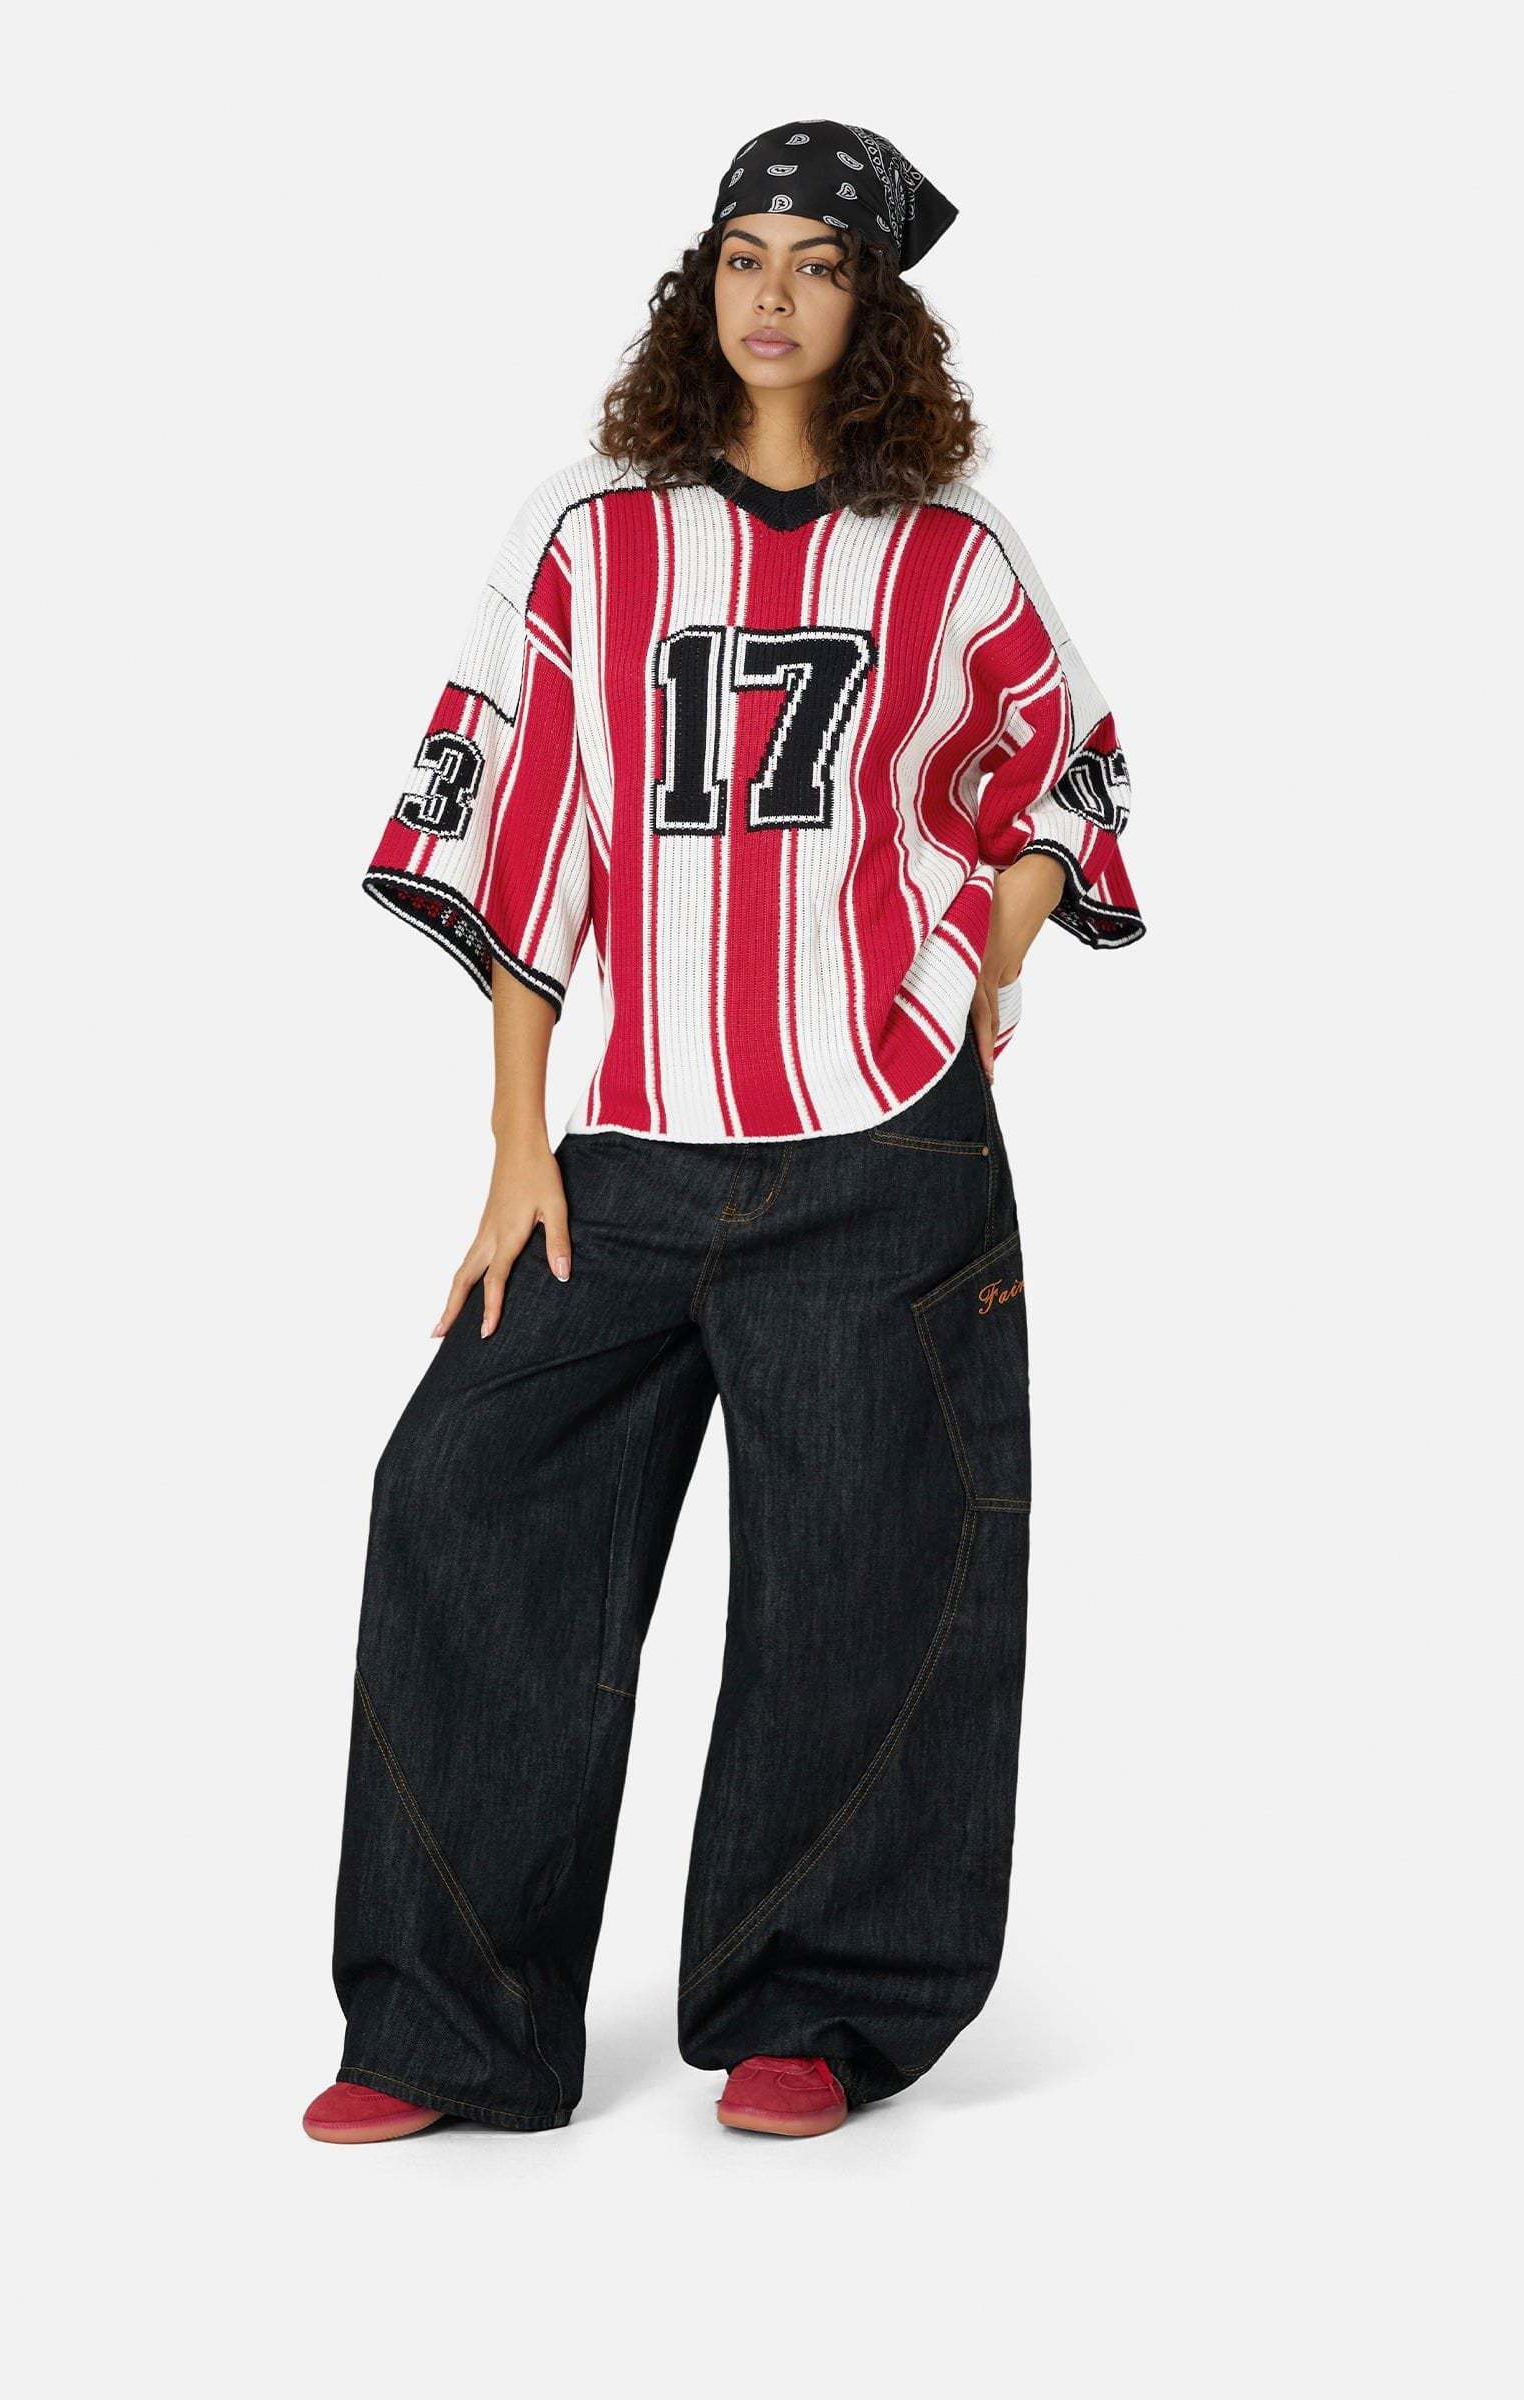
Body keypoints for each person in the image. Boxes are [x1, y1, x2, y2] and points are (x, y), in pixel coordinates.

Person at [303, 119, 1143, 2147]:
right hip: (631, 1145)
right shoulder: (592, 534)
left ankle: (818, 2008)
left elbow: (1070, 768)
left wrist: (991, 939)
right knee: (464, 1495)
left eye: (818, 264)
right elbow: (532, 828)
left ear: (875, 308)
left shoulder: (951, 552)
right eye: (744, 254)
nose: (772, 294)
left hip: (884, 1140)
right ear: (704, 284)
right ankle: (447, 2026)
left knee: (863, 1568)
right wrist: (517, 1143)